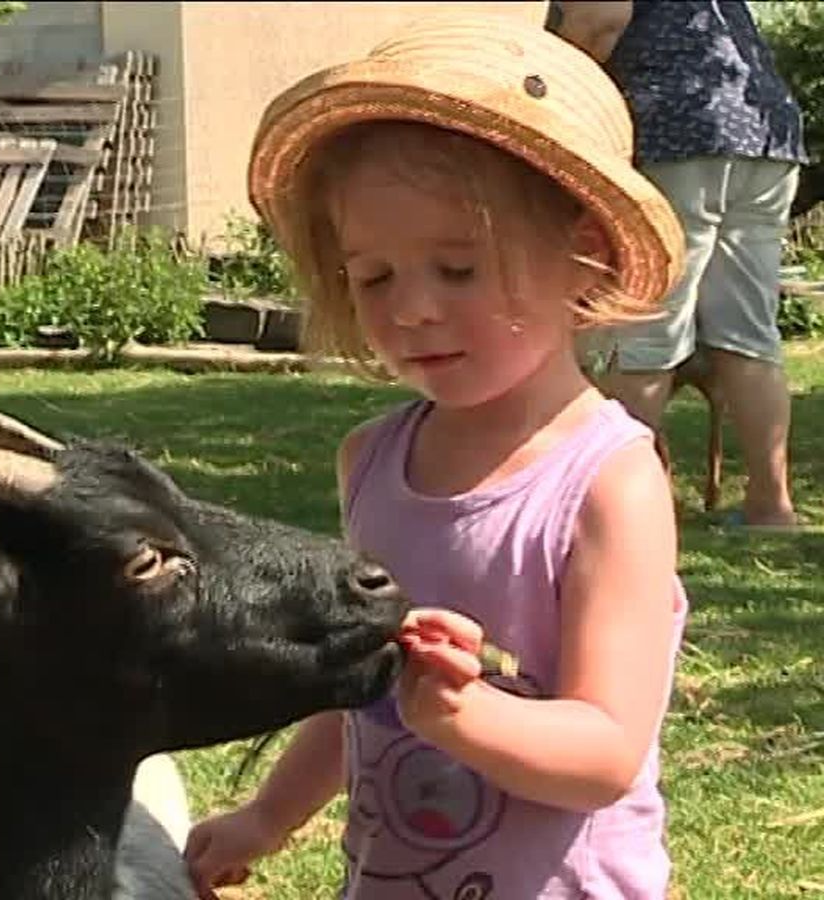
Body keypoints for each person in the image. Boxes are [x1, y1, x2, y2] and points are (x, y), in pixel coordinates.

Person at [182, 3, 689, 897]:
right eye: (373, 274)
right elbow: (362, 697)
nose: (411, 308)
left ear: (586, 257)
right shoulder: (370, 461)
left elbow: (608, 750)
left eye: (458, 268)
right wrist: (265, 817)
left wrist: (462, 714)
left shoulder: (609, 482)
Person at [554, 0, 810, 529]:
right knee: (747, 333)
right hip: (765, 132)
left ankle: (625, 508)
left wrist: (559, 90)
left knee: (648, 328)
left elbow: (599, 21)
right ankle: (771, 505)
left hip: (679, 130)